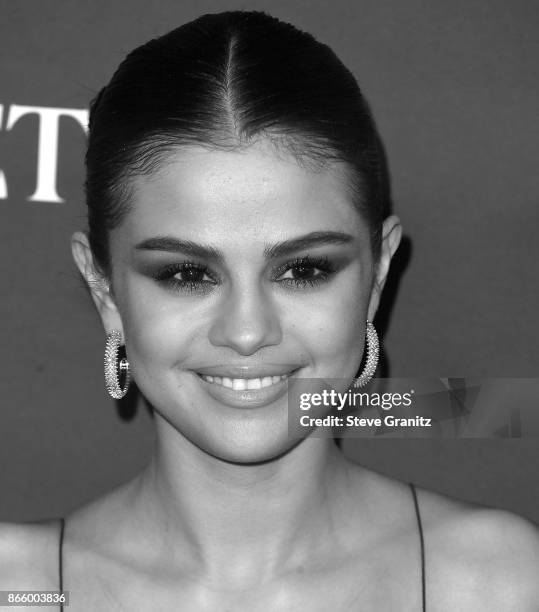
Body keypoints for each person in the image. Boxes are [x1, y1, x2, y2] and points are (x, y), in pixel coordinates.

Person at [1, 11, 538, 611]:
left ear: (378, 272)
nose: (249, 330)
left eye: (303, 270)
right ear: (104, 290)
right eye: (185, 274)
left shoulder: (499, 587)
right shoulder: (19, 591)